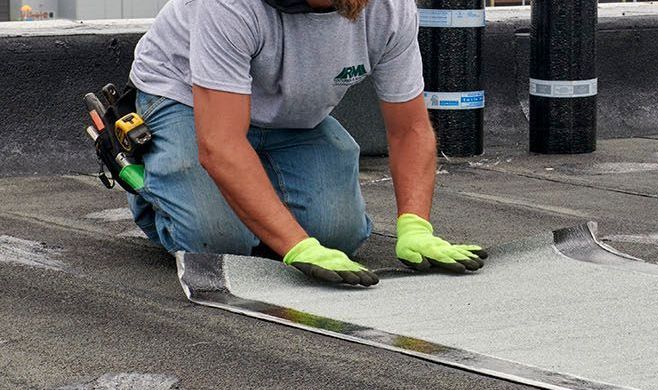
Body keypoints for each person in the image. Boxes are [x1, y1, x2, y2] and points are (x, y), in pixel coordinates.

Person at [127, 0, 486, 287]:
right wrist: (296, 245)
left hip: (291, 116)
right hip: (187, 100)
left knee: (337, 236)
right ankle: (152, 176)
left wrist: (415, 226)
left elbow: (409, 129)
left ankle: (249, 187)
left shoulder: (389, 8)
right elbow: (220, 144)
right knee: (219, 243)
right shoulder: (229, 6)